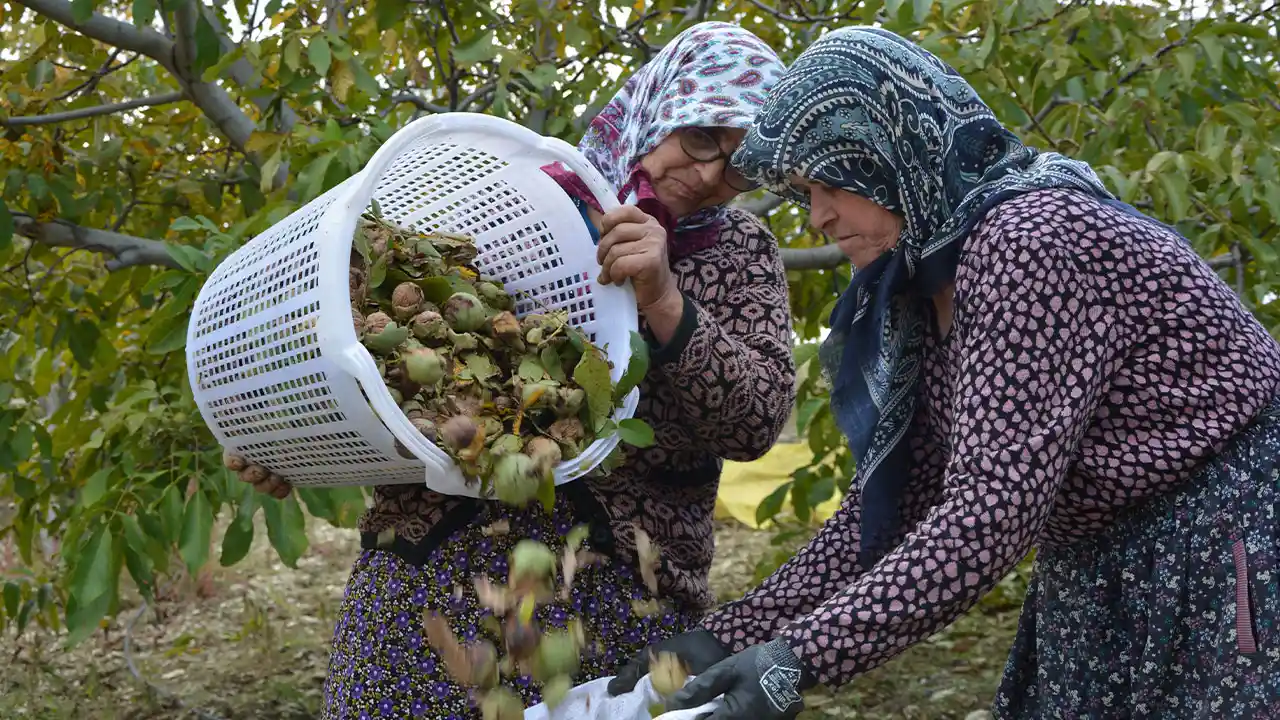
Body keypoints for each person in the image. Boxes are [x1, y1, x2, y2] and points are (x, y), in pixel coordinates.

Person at [609, 26, 1280, 719]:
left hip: (1219, 548)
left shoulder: (1028, 241)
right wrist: (722, 637)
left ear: (890, 157)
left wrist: (798, 657)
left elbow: (990, 511)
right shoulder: (923, 286)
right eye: (805, 193)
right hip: (1101, 565)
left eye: (831, 184)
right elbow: (893, 510)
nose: (818, 217)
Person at [229, 21, 796, 719]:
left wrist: (665, 300)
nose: (711, 174)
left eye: (739, 164)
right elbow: (396, 370)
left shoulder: (739, 250)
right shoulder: (533, 203)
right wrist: (292, 440)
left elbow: (755, 422)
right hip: (429, 576)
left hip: (617, 596)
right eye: (702, 138)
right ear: (662, 110)